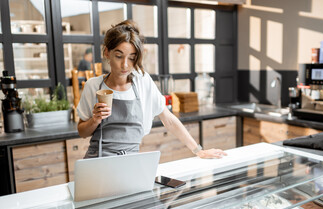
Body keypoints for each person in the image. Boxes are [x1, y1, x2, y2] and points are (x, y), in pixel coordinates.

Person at [77, 20, 227, 159]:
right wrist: (95, 120)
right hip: (97, 162)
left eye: (131, 58)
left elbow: (169, 119)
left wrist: (198, 151)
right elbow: (82, 131)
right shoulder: (93, 86)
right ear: (106, 53)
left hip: (131, 161)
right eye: (118, 56)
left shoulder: (143, 82)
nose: (125, 65)